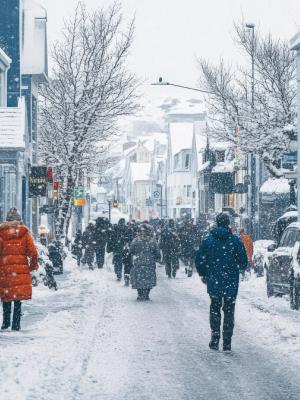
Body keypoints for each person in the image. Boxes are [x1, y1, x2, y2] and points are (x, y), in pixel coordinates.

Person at [195, 213, 248, 351]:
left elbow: (199, 259)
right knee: (229, 310)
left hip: (214, 281)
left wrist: (203, 273)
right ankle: (227, 341)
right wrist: (238, 267)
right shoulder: (235, 240)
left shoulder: (208, 240)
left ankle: (215, 337)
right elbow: (243, 261)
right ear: (228, 223)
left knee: (215, 308)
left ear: (217, 223)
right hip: (231, 282)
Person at [0, 208, 38, 331]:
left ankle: (5, 323)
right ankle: (16, 324)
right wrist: (31, 267)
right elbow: (33, 253)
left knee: (6, 296)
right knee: (17, 299)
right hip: (20, 272)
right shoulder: (25, 233)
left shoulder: (1, 233)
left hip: (5, 271)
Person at [130, 224, 161, 301]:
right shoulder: (152, 241)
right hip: (149, 262)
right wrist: (157, 257)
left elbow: (131, 250)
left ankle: (140, 293)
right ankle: (146, 294)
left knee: (138, 278)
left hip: (138, 261)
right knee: (148, 278)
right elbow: (157, 252)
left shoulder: (136, 240)